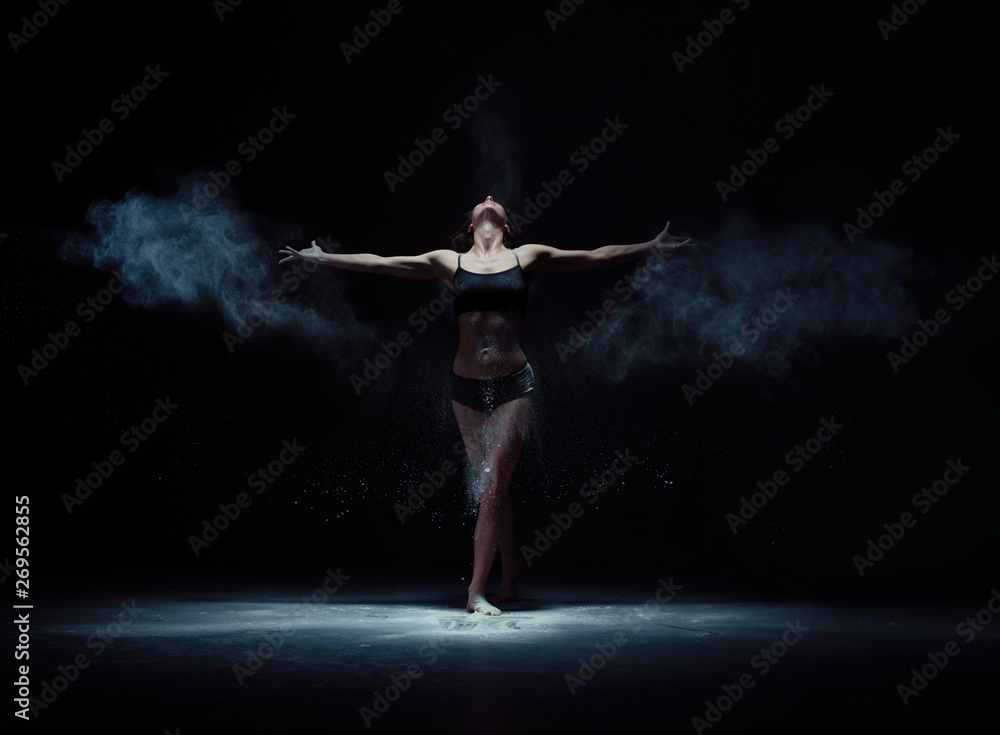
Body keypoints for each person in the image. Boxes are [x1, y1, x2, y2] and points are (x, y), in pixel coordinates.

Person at [278, 196, 690, 615]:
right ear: (472, 226)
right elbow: (383, 262)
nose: (490, 199)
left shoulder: (527, 256)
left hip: (514, 385)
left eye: (497, 202)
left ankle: (475, 591)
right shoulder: (448, 262)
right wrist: (325, 258)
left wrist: (650, 248)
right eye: (482, 201)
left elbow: (596, 255)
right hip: (465, 389)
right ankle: (510, 571)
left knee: (492, 487)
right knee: (495, 489)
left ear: (507, 226)